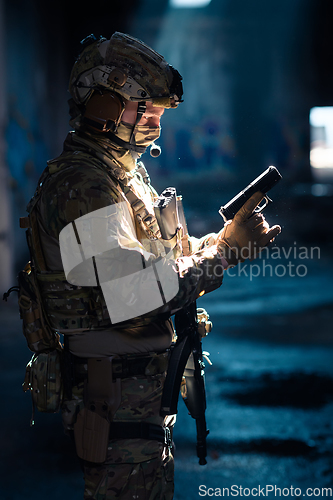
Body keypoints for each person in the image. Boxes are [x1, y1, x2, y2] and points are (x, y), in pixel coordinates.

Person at [25, 32, 281, 499]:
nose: (157, 123)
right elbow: (133, 294)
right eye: (145, 109)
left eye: (160, 112)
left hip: (139, 397)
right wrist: (224, 255)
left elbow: (163, 262)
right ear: (100, 104)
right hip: (114, 399)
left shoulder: (121, 176)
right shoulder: (82, 187)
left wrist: (224, 240)